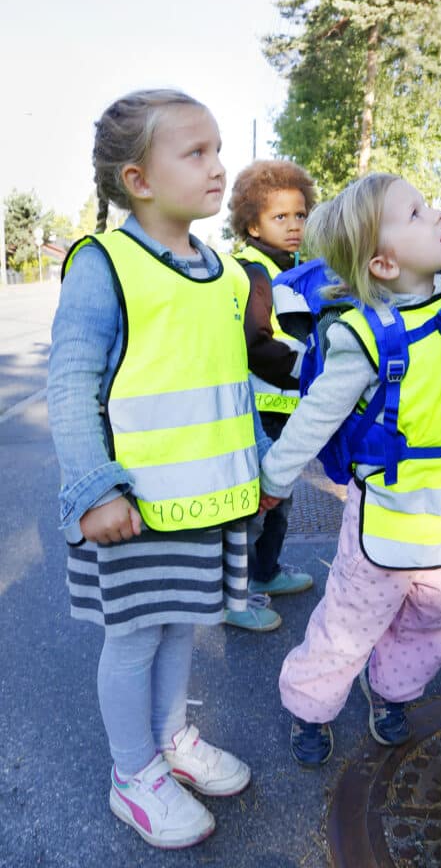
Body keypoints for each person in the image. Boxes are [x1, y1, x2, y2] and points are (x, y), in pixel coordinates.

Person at [258, 36, 441, 766]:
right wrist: (274, 481)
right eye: (412, 214)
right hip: (388, 512)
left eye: (424, 203)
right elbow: (316, 415)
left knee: (436, 620)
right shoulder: (364, 337)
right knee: (350, 619)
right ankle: (309, 708)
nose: (435, 215)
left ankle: (392, 694)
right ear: (381, 262)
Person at [47, 89, 271, 848]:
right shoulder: (105, 264)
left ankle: (172, 741)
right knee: (136, 636)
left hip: (206, 501)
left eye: (217, 148)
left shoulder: (226, 271)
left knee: (184, 627)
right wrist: (94, 489)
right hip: (136, 508)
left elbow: (229, 384)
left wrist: (260, 469)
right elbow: (71, 383)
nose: (217, 166)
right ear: (138, 179)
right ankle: (130, 773)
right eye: (196, 152)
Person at [224, 160, 317, 632]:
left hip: (284, 408)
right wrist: (313, 369)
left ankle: (266, 571)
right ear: (253, 224)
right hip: (263, 408)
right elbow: (256, 344)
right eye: (281, 217)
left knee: (279, 499)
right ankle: (234, 598)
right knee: (256, 504)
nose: (294, 225)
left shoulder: (293, 268)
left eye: (300, 215)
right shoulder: (253, 271)